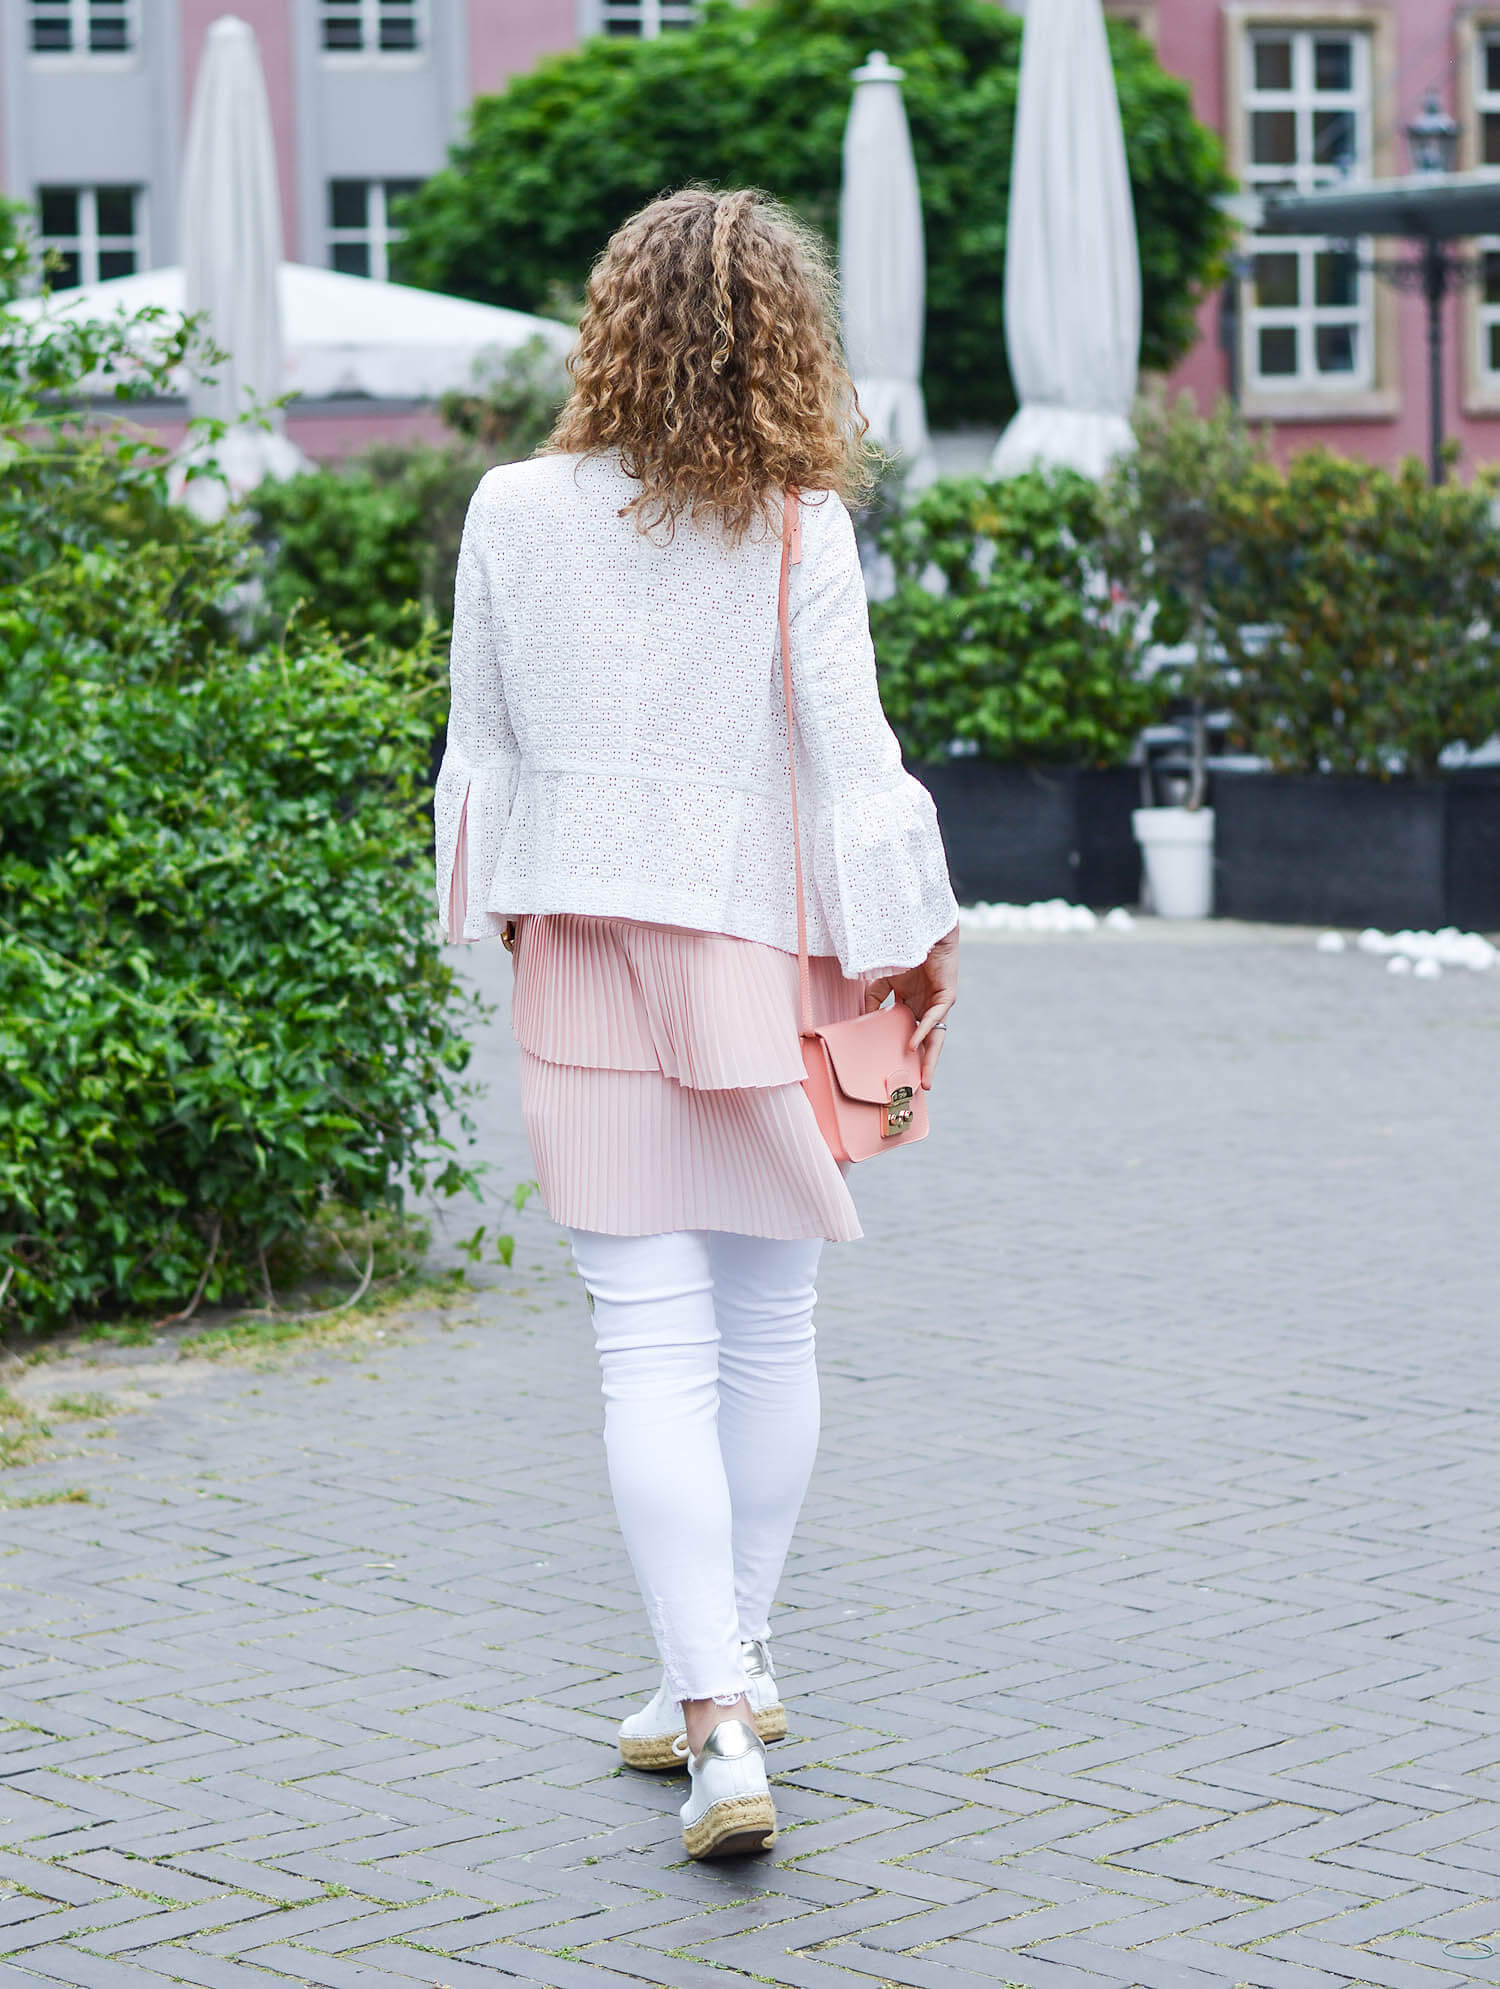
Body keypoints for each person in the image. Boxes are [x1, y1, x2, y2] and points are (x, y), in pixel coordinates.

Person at [434, 187, 958, 1861]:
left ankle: (712, 1712)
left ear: (613, 319)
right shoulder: (803, 520)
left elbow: (485, 748)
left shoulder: (512, 508)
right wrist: (917, 935)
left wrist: (513, 909)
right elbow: (850, 757)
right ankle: (725, 1672)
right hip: (752, 950)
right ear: (788, 340)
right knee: (767, 1333)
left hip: (585, 945)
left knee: (643, 1347)